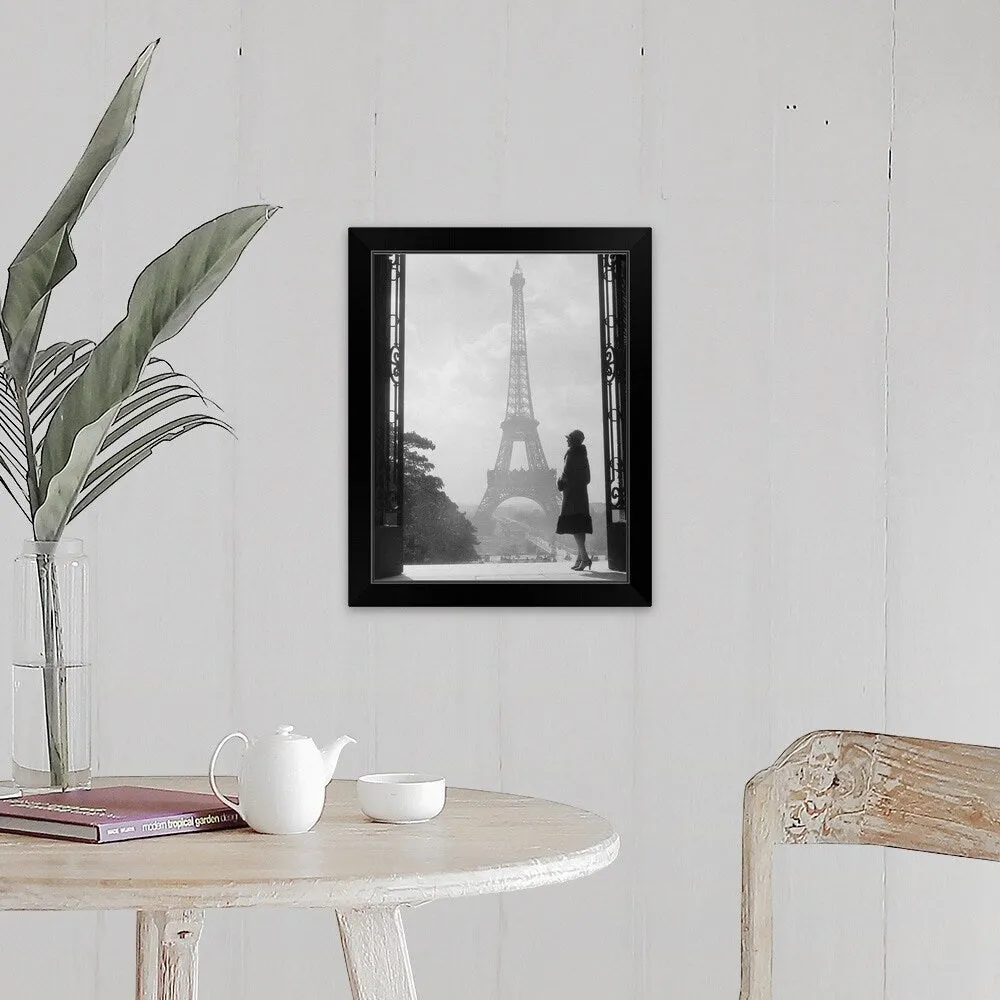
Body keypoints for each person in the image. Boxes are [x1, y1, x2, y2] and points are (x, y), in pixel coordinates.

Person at [556, 429, 594, 571]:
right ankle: (580, 558)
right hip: (581, 495)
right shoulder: (583, 455)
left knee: (575, 527)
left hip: (572, 496)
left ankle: (584, 558)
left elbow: (565, 475)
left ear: (573, 440)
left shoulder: (572, 453)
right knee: (579, 526)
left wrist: (560, 481)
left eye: (569, 438)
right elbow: (587, 478)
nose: (567, 440)